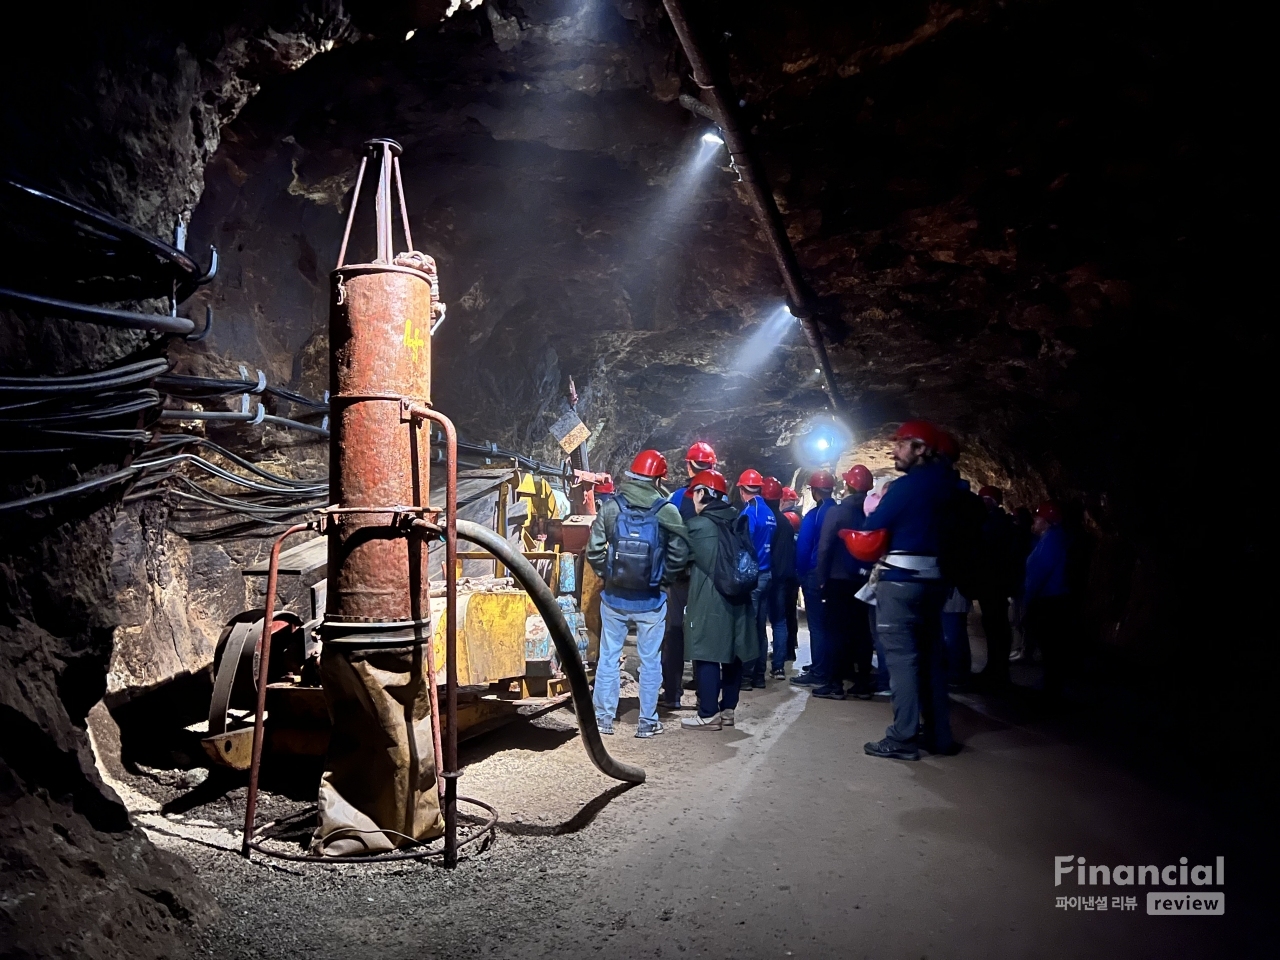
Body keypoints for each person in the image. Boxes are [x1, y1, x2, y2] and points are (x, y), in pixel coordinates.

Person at [862, 421, 958, 761]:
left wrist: (885, 499)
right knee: (931, 658)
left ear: (921, 449)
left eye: (902, 444)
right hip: (935, 582)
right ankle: (939, 735)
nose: (894, 450)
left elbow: (872, 527)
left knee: (902, 659)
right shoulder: (952, 487)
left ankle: (903, 737)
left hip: (901, 580)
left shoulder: (906, 488)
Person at [586, 449, 689, 738]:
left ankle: (603, 719)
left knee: (608, 657)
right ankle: (647, 722)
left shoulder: (611, 507)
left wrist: (608, 575)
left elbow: (593, 550)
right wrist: (662, 577)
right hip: (651, 601)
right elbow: (680, 551)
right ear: (658, 479)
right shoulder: (666, 510)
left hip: (614, 599)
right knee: (650, 660)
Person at [679, 470, 756, 730]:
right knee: (732, 654)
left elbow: (678, 559)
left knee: (707, 652)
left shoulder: (698, 526)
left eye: (695, 494)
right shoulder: (737, 519)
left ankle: (708, 712)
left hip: (711, 598)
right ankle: (728, 710)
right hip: (739, 597)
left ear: (702, 493)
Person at [660, 441, 718, 709]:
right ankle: (705, 697)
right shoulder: (722, 499)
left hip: (679, 577)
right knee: (703, 632)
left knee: (673, 632)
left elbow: (666, 535)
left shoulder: (676, 498)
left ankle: (672, 693)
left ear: (688, 465)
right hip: (707, 577)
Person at [813, 464, 876, 699]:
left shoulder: (837, 513)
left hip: (838, 580)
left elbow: (825, 547)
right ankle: (862, 683)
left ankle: (835, 684)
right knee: (862, 632)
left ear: (848, 484)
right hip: (864, 580)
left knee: (835, 632)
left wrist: (821, 578)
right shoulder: (873, 513)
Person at [792, 470, 836, 687]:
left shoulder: (814, 515)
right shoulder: (839, 510)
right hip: (836, 576)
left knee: (817, 626)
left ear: (815, 490)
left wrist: (801, 573)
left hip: (814, 574)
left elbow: (803, 548)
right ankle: (825, 664)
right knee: (831, 625)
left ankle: (819, 671)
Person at [1023, 500, 1071, 698]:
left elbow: (1040, 571)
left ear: (1047, 521)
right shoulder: (1051, 538)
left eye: (1038, 517)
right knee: (1051, 646)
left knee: (1050, 646)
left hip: (1048, 600)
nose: (1034, 520)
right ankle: (1051, 684)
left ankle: (1051, 689)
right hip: (1052, 598)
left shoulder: (1051, 540)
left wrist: (1028, 598)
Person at [737, 469, 778, 689]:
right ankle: (760, 675)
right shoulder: (768, 512)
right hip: (767, 574)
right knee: (761, 627)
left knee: (748, 628)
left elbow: (744, 543)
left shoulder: (749, 512)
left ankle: (746, 676)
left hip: (753, 576)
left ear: (743, 490)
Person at [973, 485, 1017, 687]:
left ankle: (997, 670)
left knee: (995, 626)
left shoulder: (994, 523)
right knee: (994, 626)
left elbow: (986, 548)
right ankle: (996, 668)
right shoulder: (1000, 522)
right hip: (995, 582)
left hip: (993, 582)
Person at [763, 476, 796, 678]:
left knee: (759, 623)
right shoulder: (785, 522)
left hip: (766, 574)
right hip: (783, 577)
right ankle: (779, 667)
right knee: (779, 621)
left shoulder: (763, 519)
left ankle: (757, 670)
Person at [779, 486, 803, 661]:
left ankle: (787, 650)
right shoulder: (797, 517)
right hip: (795, 574)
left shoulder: (787, 518)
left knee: (784, 613)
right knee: (790, 611)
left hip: (786, 575)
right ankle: (790, 644)